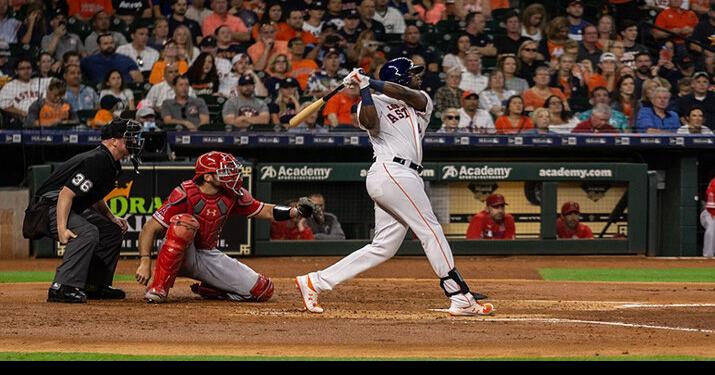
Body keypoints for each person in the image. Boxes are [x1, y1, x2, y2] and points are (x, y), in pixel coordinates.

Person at [295, 57, 495, 316]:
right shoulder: (368, 103)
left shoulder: (419, 99)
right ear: (399, 76)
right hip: (391, 172)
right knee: (430, 230)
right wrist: (366, 90)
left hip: (403, 176)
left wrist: (369, 82)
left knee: (384, 247)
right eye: (412, 73)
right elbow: (370, 123)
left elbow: (404, 93)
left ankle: (315, 281)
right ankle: (459, 295)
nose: (418, 76)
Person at [134, 151, 315, 303]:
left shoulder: (232, 194)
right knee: (185, 223)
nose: (231, 174)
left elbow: (265, 211)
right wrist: (144, 261)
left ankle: (212, 288)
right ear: (207, 177)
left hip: (205, 254)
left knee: (262, 290)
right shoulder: (184, 194)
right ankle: (158, 288)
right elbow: (150, 228)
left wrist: (295, 212)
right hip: (178, 252)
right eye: (224, 171)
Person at [22, 119, 143, 303]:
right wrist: (62, 229)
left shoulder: (110, 163)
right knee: (87, 232)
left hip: (61, 205)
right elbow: (66, 194)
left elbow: (93, 194)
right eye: (129, 138)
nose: (134, 142)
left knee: (111, 230)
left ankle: (94, 285)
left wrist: (111, 217)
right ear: (114, 141)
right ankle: (62, 287)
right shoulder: (97, 160)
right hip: (46, 208)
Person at [0, 58, 51, 128]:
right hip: (22, 121)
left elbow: (58, 83)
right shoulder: (9, 86)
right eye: (22, 68)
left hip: (45, 117)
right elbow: (5, 106)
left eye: (28, 68)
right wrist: (23, 113)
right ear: (16, 71)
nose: (26, 71)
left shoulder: (41, 81)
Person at [700, 176, 715, 257]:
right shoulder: (714, 182)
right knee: (711, 227)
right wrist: (713, 213)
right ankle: (708, 256)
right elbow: (710, 204)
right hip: (709, 213)